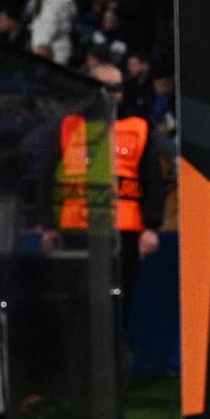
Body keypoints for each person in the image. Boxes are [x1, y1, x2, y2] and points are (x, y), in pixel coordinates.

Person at [57, 60, 168, 328]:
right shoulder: (70, 125)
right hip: (78, 229)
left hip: (122, 232)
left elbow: (153, 180)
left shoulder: (138, 127)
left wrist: (151, 227)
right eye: (105, 87)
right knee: (78, 301)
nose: (113, 93)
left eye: (117, 88)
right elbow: (54, 176)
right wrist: (48, 223)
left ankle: (115, 363)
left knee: (118, 302)